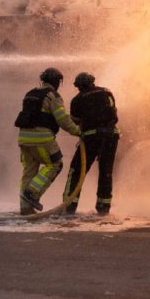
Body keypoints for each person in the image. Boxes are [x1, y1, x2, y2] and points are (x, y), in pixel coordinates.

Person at [15, 67, 80, 215]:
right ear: (57, 82)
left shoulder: (30, 94)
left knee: (29, 171)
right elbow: (62, 119)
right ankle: (32, 193)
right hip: (42, 138)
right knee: (55, 164)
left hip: (24, 138)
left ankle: (26, 209)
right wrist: (78, 131)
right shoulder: (53, 96)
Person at [62, 72, 119, 215]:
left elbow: (75, 120)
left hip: (91, 138)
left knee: (76, 171)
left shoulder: (77, 99)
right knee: (106, 172)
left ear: (79, 86)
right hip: (111, 136)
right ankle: (103, 208)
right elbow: (114, 112)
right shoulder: (107, 92)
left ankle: (68, 207)